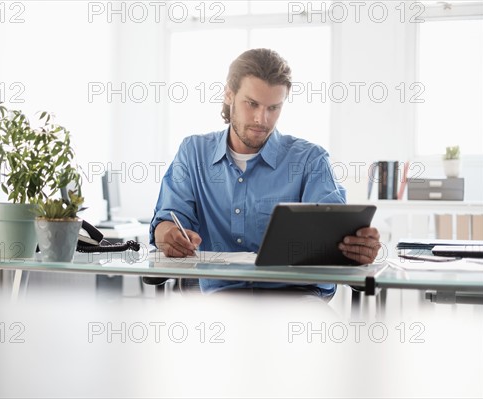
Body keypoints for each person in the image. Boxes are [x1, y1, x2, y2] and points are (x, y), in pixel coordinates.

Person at [149, 48, 380, 298]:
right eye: (252, 104)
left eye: (274, 108)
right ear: (229, 94)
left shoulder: (310, 159)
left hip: (297, 296)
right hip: (225, 298)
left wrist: (357, 251)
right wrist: (167, 234)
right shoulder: (193, 152)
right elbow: (169, 221)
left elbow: (337, 239)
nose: (262, 119)